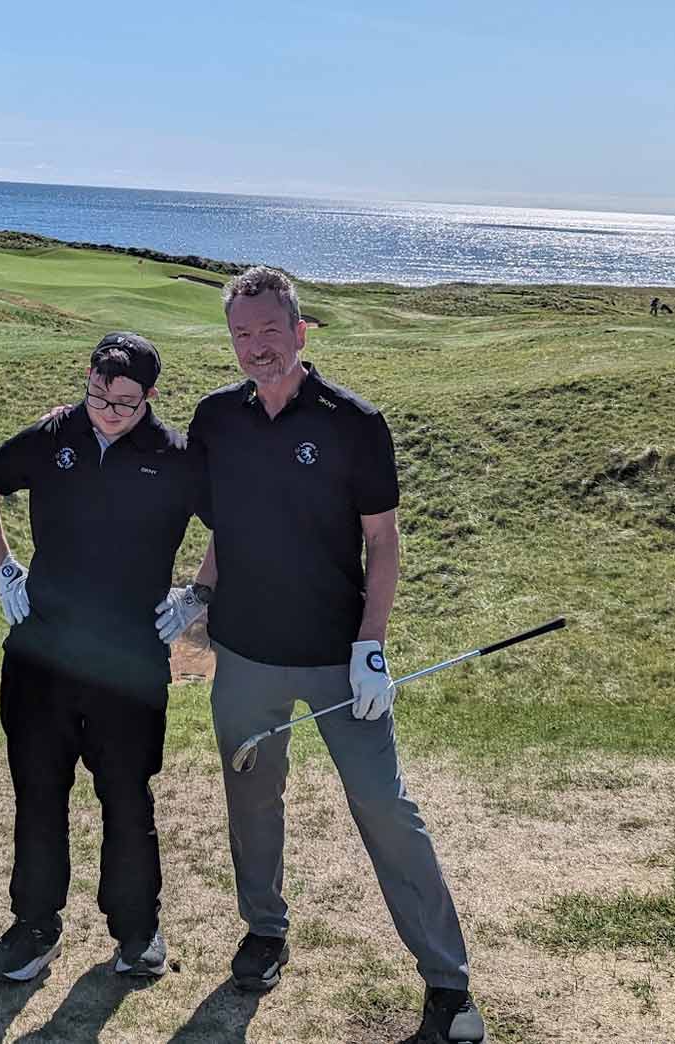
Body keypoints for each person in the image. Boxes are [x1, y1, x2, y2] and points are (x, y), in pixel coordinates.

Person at [152, 267, 486, 1043]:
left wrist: (372, 644)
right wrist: (198, 597)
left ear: (300, 332)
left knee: (383, 804)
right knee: (251, 797)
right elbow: (225, 532)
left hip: (340, 659)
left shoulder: (353, 422)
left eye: (270, 331)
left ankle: (447, 981)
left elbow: (383, 540)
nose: (255, 347)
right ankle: (265, 930)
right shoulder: (216, 419)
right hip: (246, 654)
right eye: (242, 334)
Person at [0, 332, 208, 984]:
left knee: (127, 797)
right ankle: (34, 927)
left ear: (150, 397)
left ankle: (137, 932)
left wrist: (198, 595)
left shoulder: (177, 456)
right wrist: (2, 571)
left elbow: (237, 525)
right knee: (39, 794)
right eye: (98, 395)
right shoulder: (53, 434)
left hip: (129, 662)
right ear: (87, 380)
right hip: (43, 656)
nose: (107, 413)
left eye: (124, 403)